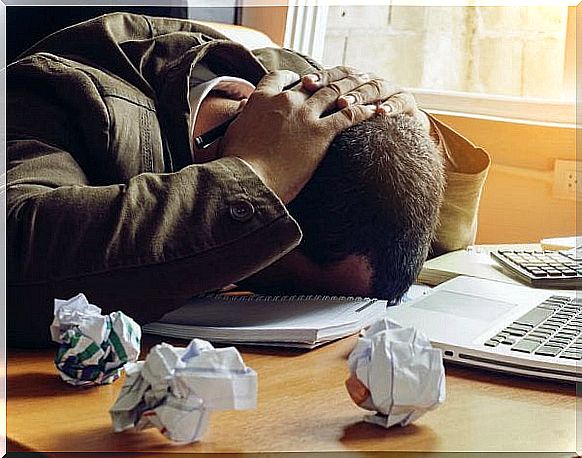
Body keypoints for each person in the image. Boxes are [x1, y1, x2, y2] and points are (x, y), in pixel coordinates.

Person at [6, 13, 489, 347]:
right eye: (276, 290)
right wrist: (256, 175)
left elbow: (443, 238)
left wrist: (417, 132)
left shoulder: (307, 88)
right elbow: (15, 251)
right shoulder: (54, 93)